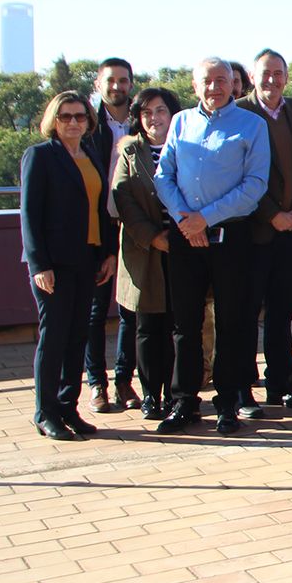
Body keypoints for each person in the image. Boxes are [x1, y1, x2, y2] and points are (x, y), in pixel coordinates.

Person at [154, 58, 270, 435]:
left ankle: (227, 403)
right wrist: (186, 218)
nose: (215, 87)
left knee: (232, 323)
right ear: (195, 85)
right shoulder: (180, 122)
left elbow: (255, 185)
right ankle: (184, 401)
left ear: (234, 85)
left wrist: (207, 217)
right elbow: (163, 174)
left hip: (231, 238)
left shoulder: (253, 125)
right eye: (207, 81)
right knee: (185, 324)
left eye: (222, 80)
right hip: (185, 236)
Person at [21, 92, 118, 440]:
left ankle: (68, 408)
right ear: (53, 120)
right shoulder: (40, 156)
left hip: (87, 259)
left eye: (80, 116)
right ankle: (45, 413)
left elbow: (100, 209)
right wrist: (39, 264)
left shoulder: (89, 155)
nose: (73, 122)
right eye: (65, 116)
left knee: (77, 337)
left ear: (89, 121)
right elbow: (29, 215)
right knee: (54, 338)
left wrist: (108, 252)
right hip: (53, 265)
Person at [238, 49, 292, 411]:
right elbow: (237, 173)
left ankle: (280, 385)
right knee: (245, 313)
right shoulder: (239, 112)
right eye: (265, 73)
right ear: (253, 77)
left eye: (279, 73)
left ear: (287, 77)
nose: (272, 80)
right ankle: (241, 391)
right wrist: (271, 214)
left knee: (283, 313)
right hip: (254, 233)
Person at [111, 87, 180, 420]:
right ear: (138, 118)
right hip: (145, 253)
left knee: (180, 325)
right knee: (149, 326)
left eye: (162, 110)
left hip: (184, 247)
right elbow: (124, 201)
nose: (155, 118)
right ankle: (152, 394)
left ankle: (178, 394)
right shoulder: (129, 151)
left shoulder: (186, 145)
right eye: (147, 112)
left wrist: (180, 233)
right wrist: (153, 238)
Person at [84, 57, 135, 414]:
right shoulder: (86, 125)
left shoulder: (145, 119)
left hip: (136, 228)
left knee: (132, 311)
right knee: (95, 313)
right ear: (99, 84)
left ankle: (124, 381)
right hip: (97, 228)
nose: (117, 86)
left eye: (123, 80)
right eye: (111, 80)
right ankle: (96, 384)